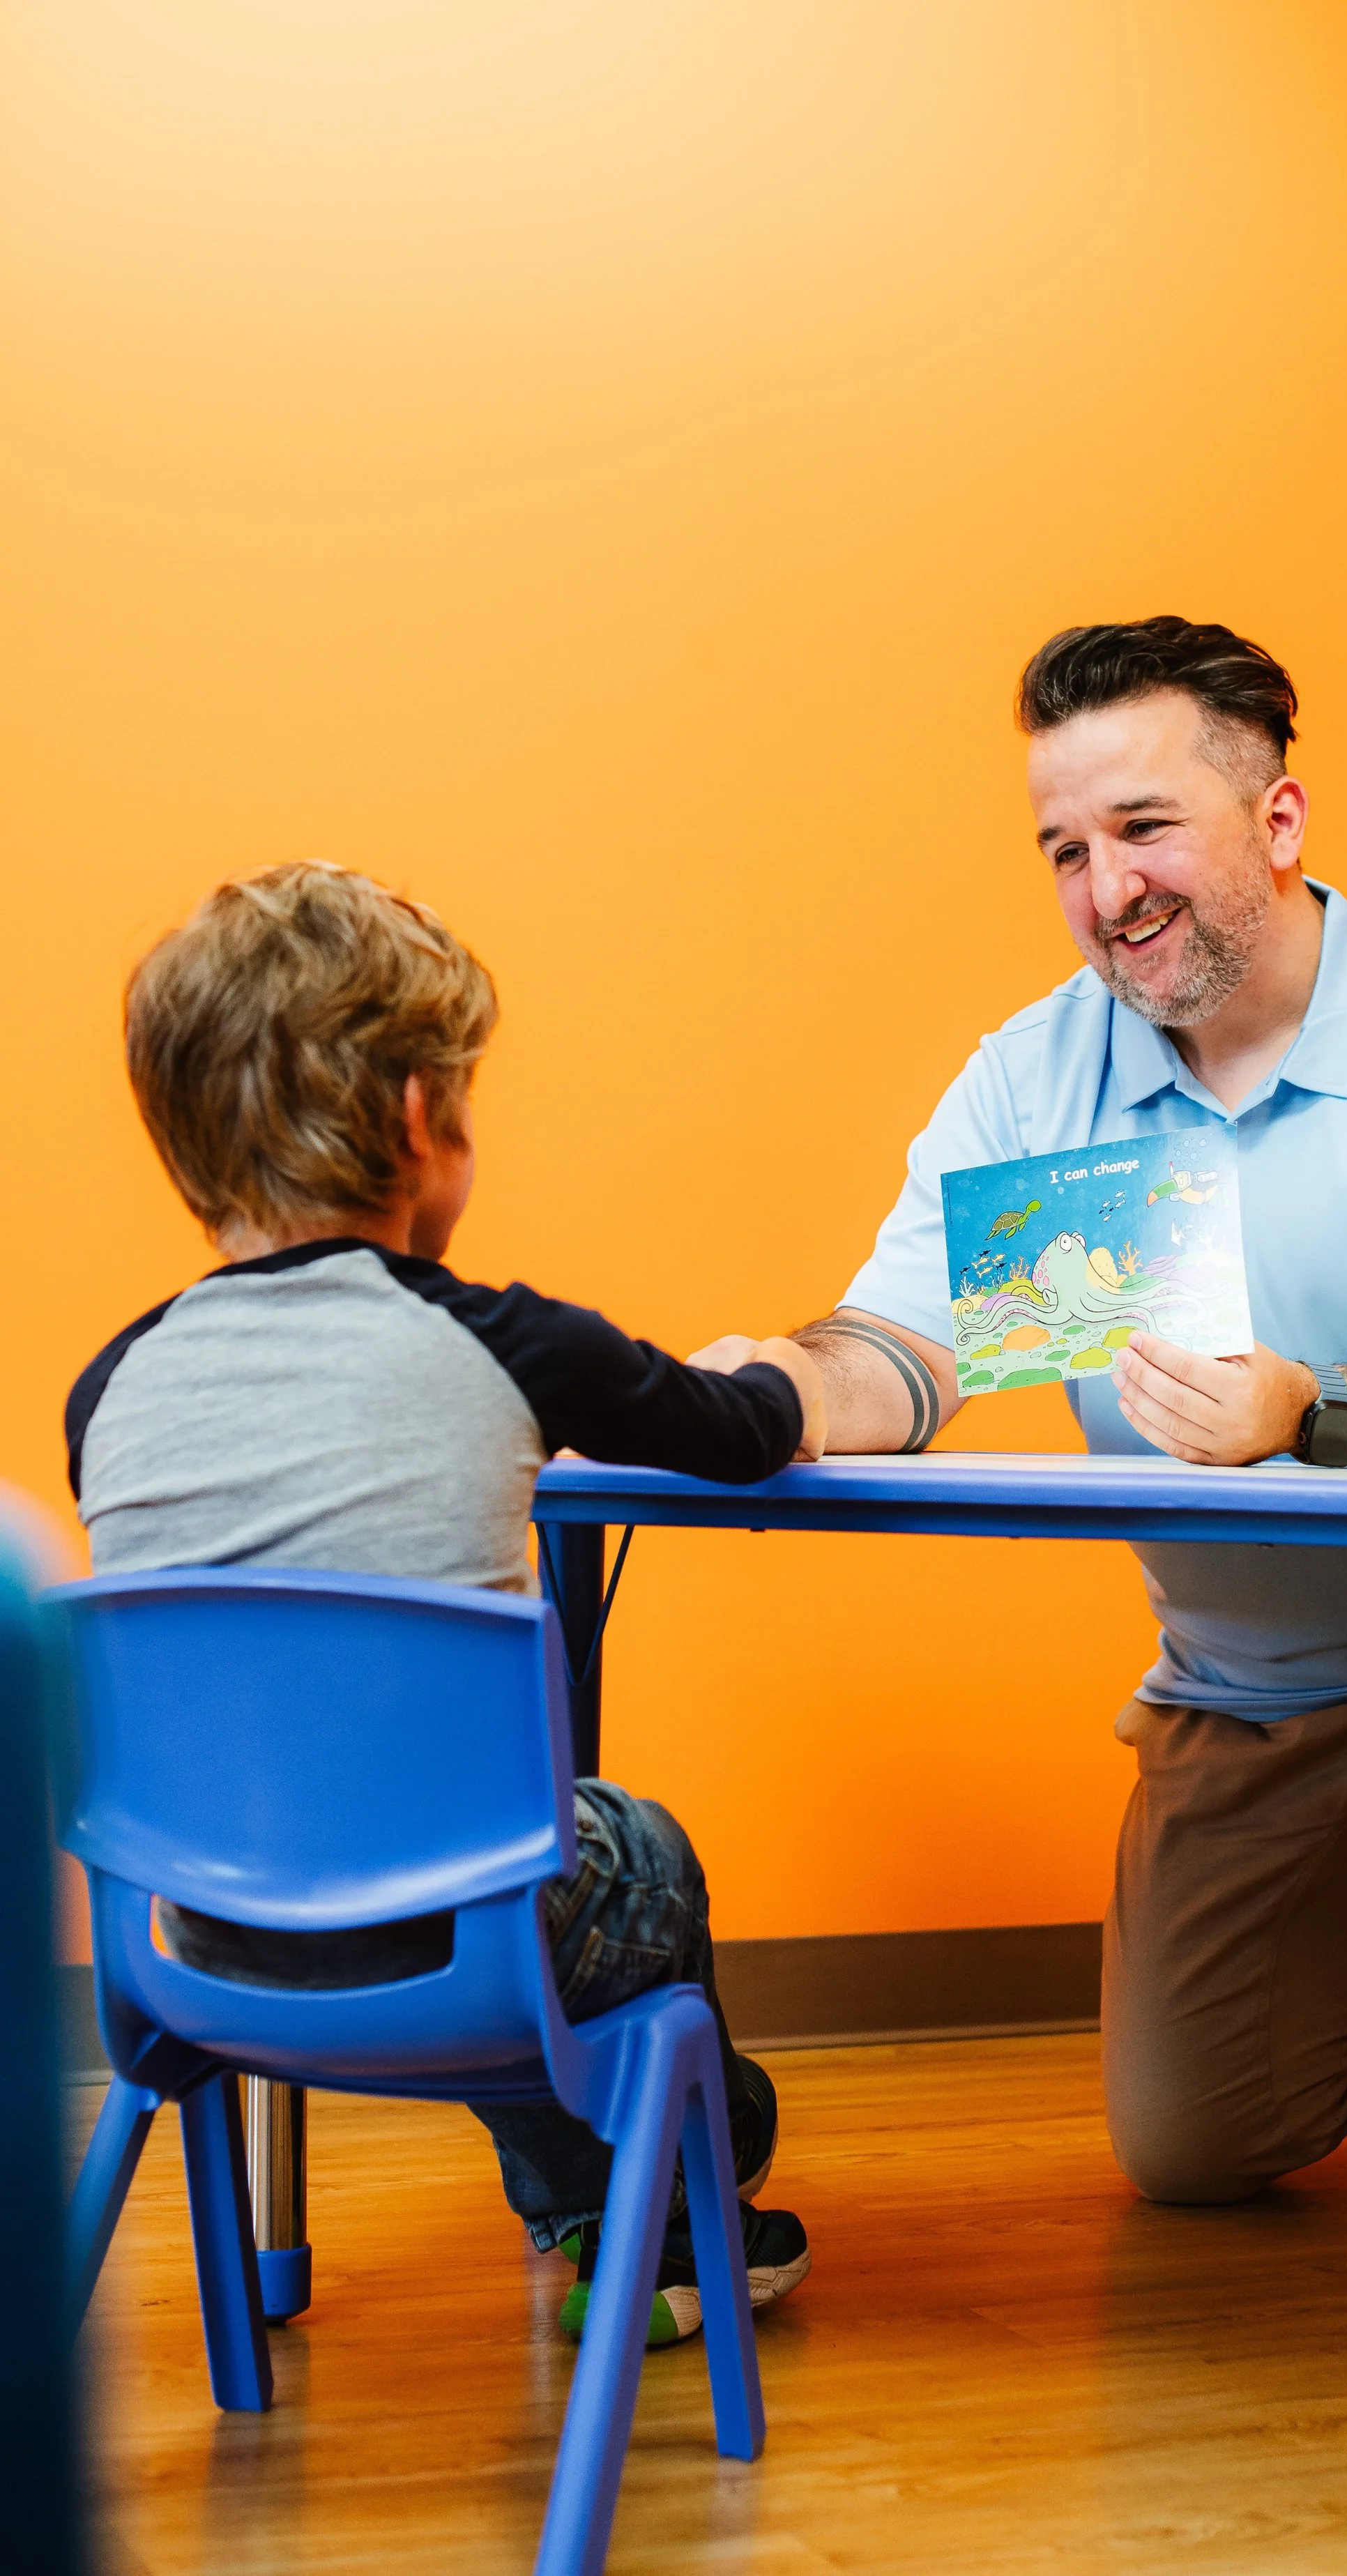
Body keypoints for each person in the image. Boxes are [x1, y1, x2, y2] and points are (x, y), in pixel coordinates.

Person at [736, 616, 1347, 2220]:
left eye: (1143, 828)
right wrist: (748, 1393)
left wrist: (1311, 1409)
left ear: (1274, 822)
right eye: (1063, 847)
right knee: (1195, 2144)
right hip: (1262, 1673)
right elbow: (897, 1352)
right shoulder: (1036, 1085)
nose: (1103, 889)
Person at [66, 860, 820, 2342]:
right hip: (458, 1950)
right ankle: (674, 2215)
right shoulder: (508, 1340)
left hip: (195, 1944)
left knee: (463, 1831)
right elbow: (745, 1432)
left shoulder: (110, 1384)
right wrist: (805, 1375)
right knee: (614, 1848)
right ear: (421, 1116)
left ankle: (596, 2204)